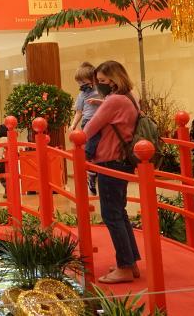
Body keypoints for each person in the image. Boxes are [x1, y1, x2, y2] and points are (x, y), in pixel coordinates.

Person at [83, 60, 141, 283]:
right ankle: (130, 262)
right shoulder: (129, 98)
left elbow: (89, 128)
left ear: (114, 80)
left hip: (110, 160)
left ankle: (125, 267)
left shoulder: (114, 100)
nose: (99, 85)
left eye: (103, 81)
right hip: (122, 160)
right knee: (119, 212)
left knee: (112, 215)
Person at [70, 61, 102, 194]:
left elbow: (110, 102)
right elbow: (79, 112)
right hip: (88, 121)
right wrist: (73, 124)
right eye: (79, 82)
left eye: (83, 81)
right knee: (91, 148)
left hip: (102, 121)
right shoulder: (82, 95)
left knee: (99, 150)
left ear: (93, 79)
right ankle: (88, 165)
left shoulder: (100, 90)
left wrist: (98, 101)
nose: (81, 85)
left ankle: (92, 173)